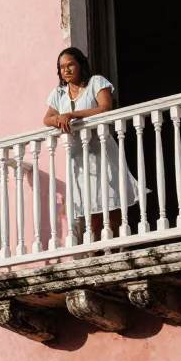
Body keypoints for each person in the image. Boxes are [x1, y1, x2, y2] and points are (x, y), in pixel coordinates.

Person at [43, 47, 139, 239]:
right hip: (78, 157)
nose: (66, 70)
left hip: (101, 152)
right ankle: (94, 251)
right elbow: (47, 119)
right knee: (88, 204)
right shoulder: (59, 93)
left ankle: (118, 246)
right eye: (62, 67)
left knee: (110, 201)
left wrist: (71, 115)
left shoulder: (96, 82)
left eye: (70, 64)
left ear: (80, 64)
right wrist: (59, 119)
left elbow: (105, 107)